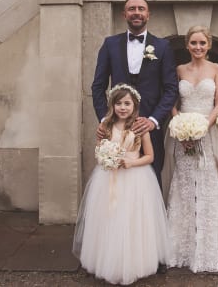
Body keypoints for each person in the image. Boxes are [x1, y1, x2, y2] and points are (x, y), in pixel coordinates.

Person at [73, 83, 170, 285]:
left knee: (132, 219)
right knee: (110, 218)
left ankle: (136, 262)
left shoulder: (139, 128)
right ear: (112, 105)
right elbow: (98, 151)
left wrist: (131, 162)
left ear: (134, 106)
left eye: (127, 103)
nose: (123, 107)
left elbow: (150, 156)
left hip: (136, 178)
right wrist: (106, 159)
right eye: (119, 103)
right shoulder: (105, 126)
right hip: (108, 177)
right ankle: (108, 260)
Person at [91, 0, 179, 187]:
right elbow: (98, 86)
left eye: (141, 9)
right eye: (132, 9)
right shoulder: (110, 44)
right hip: (116, 128)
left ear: (148, 14)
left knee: (151, 180)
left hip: (148, 128)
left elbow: (171, 89)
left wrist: (153, 120)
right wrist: (105, 120)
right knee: (113, 180)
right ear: (124, 14)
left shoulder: (162, 47)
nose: (136, 13)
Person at [166, 26, 218, 272]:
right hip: (182, 135)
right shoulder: (179, 69)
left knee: (207, 184)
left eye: (202, 43)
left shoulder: (216, 69)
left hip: (207, 131)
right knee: (183, 184)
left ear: (209, 45)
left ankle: (207, 250)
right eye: (193, 43)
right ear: (187, 45)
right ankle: (182, 249)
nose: (198, 47)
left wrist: (203, 126)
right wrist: (180, 125)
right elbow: (173, 102)